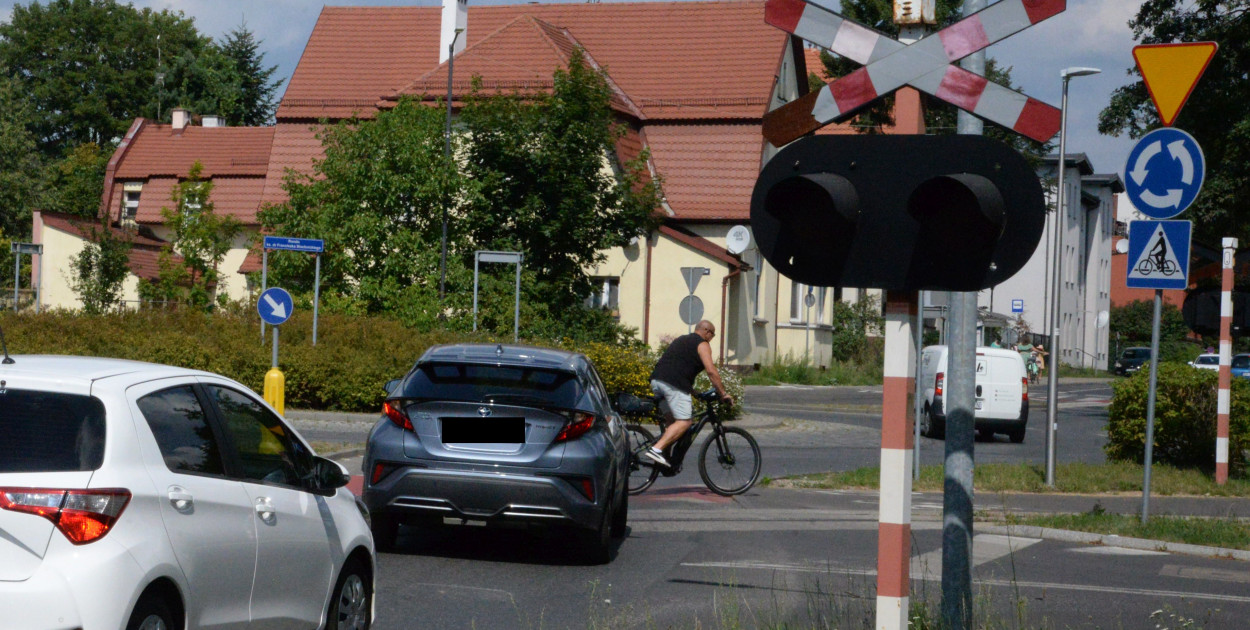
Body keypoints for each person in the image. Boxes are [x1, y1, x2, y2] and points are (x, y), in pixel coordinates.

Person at [642, 320, 733, 467]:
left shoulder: (682, 339)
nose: (712, 338)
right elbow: (711, 371)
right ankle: (657, 449)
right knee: (684, 422)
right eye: (713, 335)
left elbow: (677, 366)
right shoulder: (702, 344)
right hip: (672, 384)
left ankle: (665, 460)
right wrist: (723, 394)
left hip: (657, 381)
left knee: (673, 423)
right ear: (707, 332)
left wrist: (694, 392)